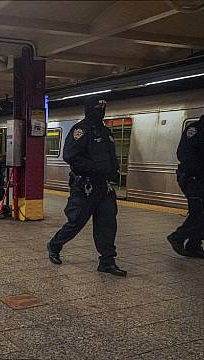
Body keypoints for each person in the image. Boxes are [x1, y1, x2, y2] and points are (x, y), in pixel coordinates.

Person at [47, 96, 126, 277]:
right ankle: (55, 245)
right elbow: (70, 156)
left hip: (104, 187)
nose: (101, 112)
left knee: (107, 224)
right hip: (85, 186)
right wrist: (95, 168)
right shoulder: (80, 130)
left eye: (103, 109)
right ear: (90, 109)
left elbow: (110, 158)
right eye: (98, 109)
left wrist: (112, 173)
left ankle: (107, 261)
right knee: (76, 222)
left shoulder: (105, 132)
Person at [167, 100, 204, 259]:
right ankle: (178, 237)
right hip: (193, 179)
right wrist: (200, 172)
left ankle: (194, 245)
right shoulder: (194, 130)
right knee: (199, 212)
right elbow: (184, 154)